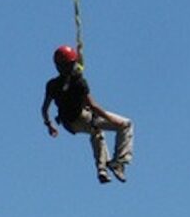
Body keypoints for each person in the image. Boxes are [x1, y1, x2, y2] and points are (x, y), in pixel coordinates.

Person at [41, 44, 133, 183]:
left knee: (96, 131)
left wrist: (49, 125)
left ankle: (102, 169)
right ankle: (118, 162)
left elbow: (44, 109)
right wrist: (111, 119)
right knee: (125, 124)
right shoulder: (79, 82)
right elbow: (93, 106)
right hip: (82, 117)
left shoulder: (52, 85)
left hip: (69, 124)